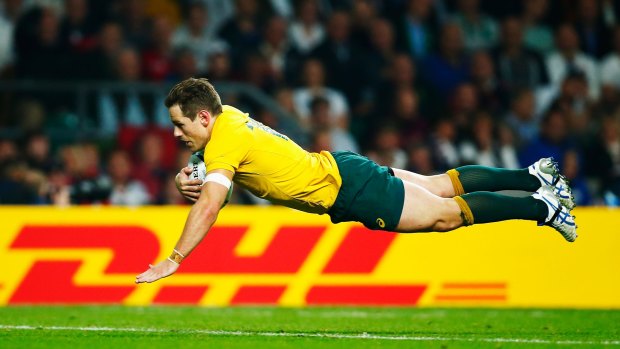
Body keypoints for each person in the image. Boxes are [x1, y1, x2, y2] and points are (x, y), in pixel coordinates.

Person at [135, 78, 577, 284]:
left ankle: (543, 206)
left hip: (351, 191)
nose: (175, 133)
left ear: (204, 116)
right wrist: (187, 169)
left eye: (179, 123)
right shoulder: (229, 120)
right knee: (440, 184)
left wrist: (175, 258)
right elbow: (212, 154)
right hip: (342, 167)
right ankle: (534, 174)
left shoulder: (224, 140)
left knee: (445, 216)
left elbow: (211, 204)